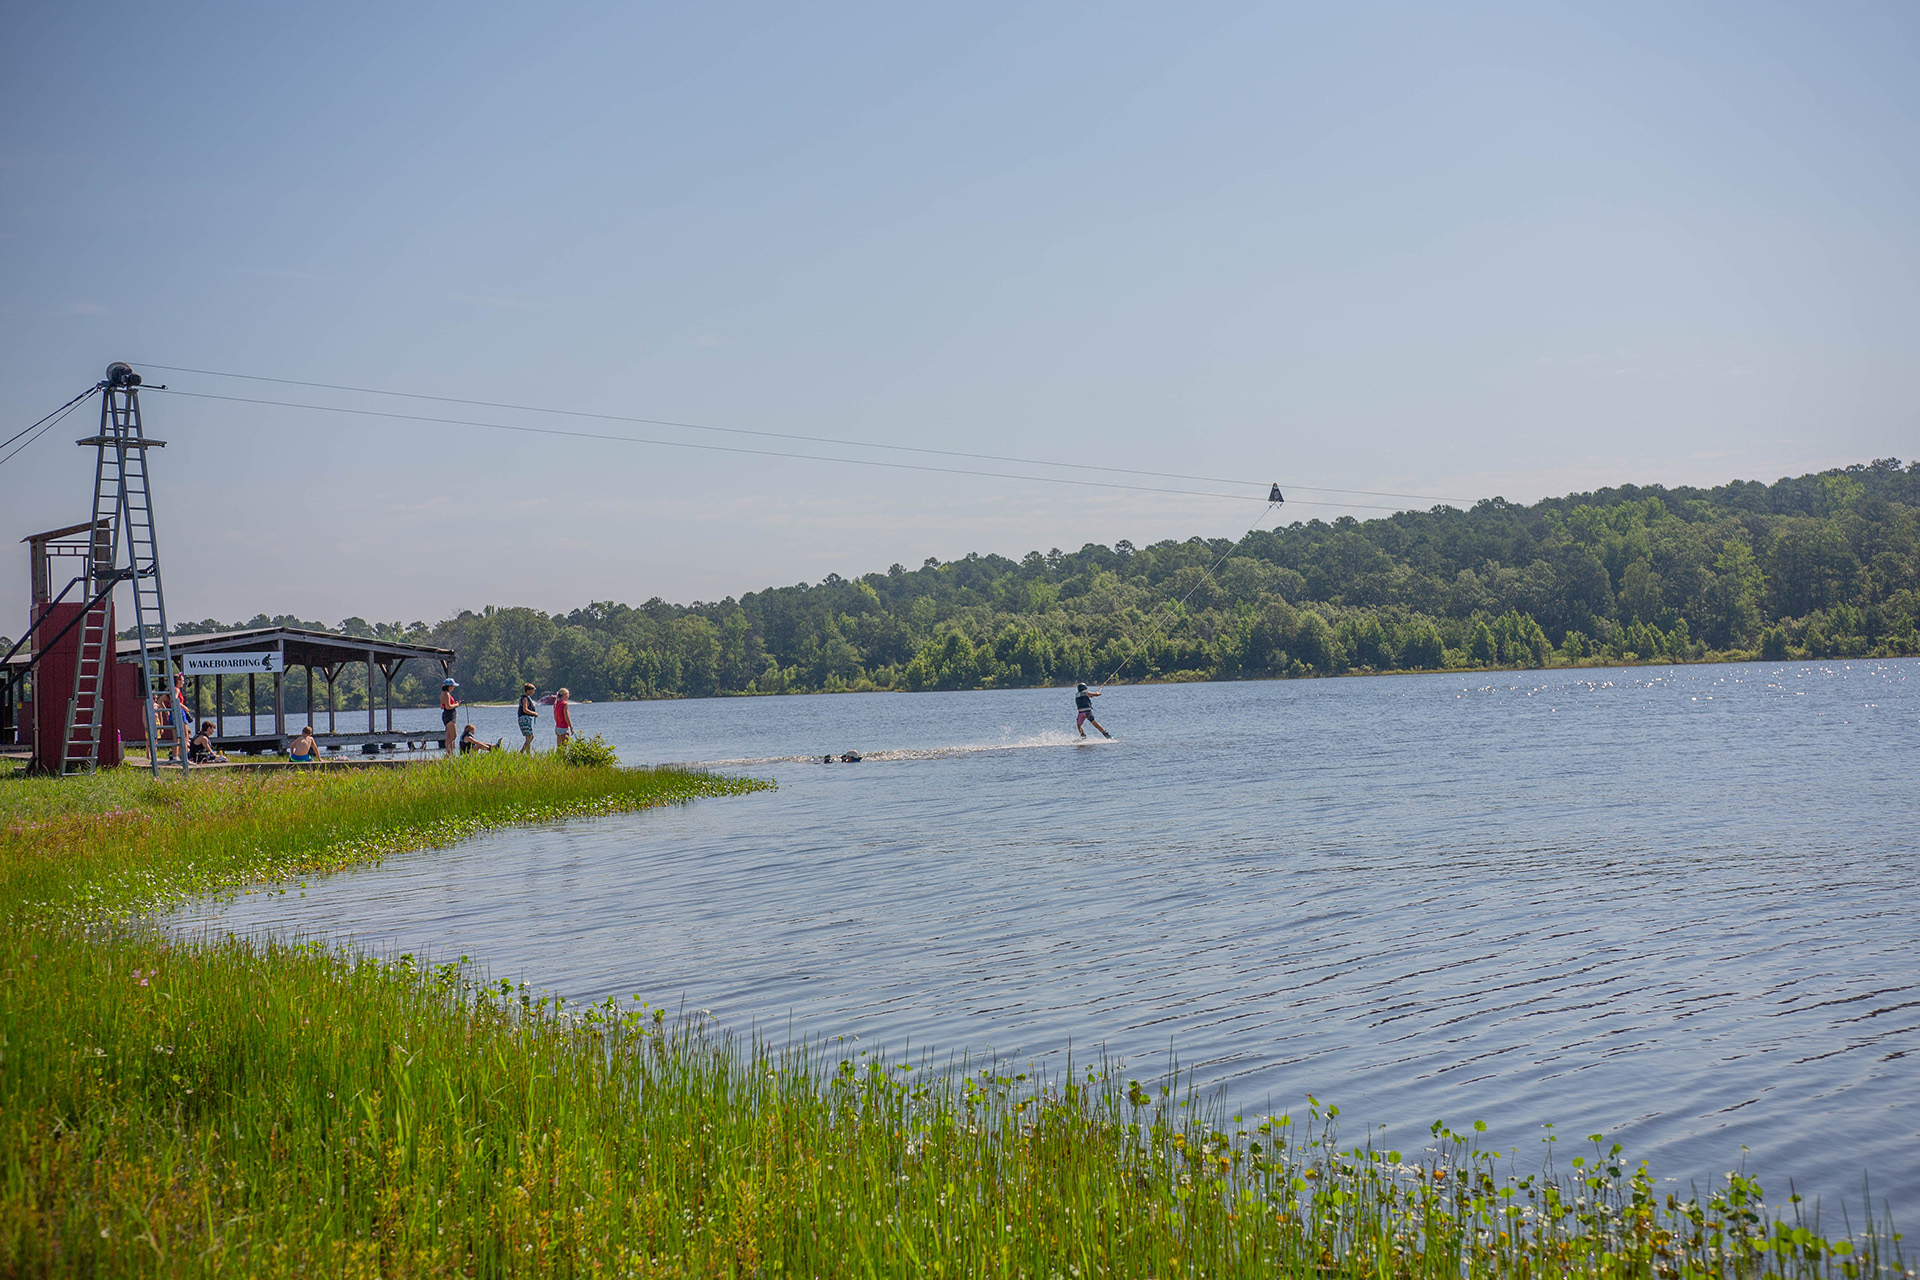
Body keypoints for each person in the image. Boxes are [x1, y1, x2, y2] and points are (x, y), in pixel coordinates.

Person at [517, 682, 540, 755]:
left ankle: (528, 754)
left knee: (529, 737)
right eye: (532, 690)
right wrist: (534, 713)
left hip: (525, 718)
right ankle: (521, 752)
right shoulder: (525, 699)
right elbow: (525, 710)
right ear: (528, 691)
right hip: (524, 718)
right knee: (530, 736)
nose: (533, 692)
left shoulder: (526, 698)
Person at [440, 677, 460, 754]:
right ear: (449, 686)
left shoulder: (442, 694)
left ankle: (449, 753)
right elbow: (448, 707)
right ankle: (449, 753)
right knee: (453, 735)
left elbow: (442, 706)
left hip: (446, 715)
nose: (453, 688)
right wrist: (456, 704)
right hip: (449, 715)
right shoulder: (447, 694)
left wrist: (453, 704)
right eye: (452, 686)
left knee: (449, 736)